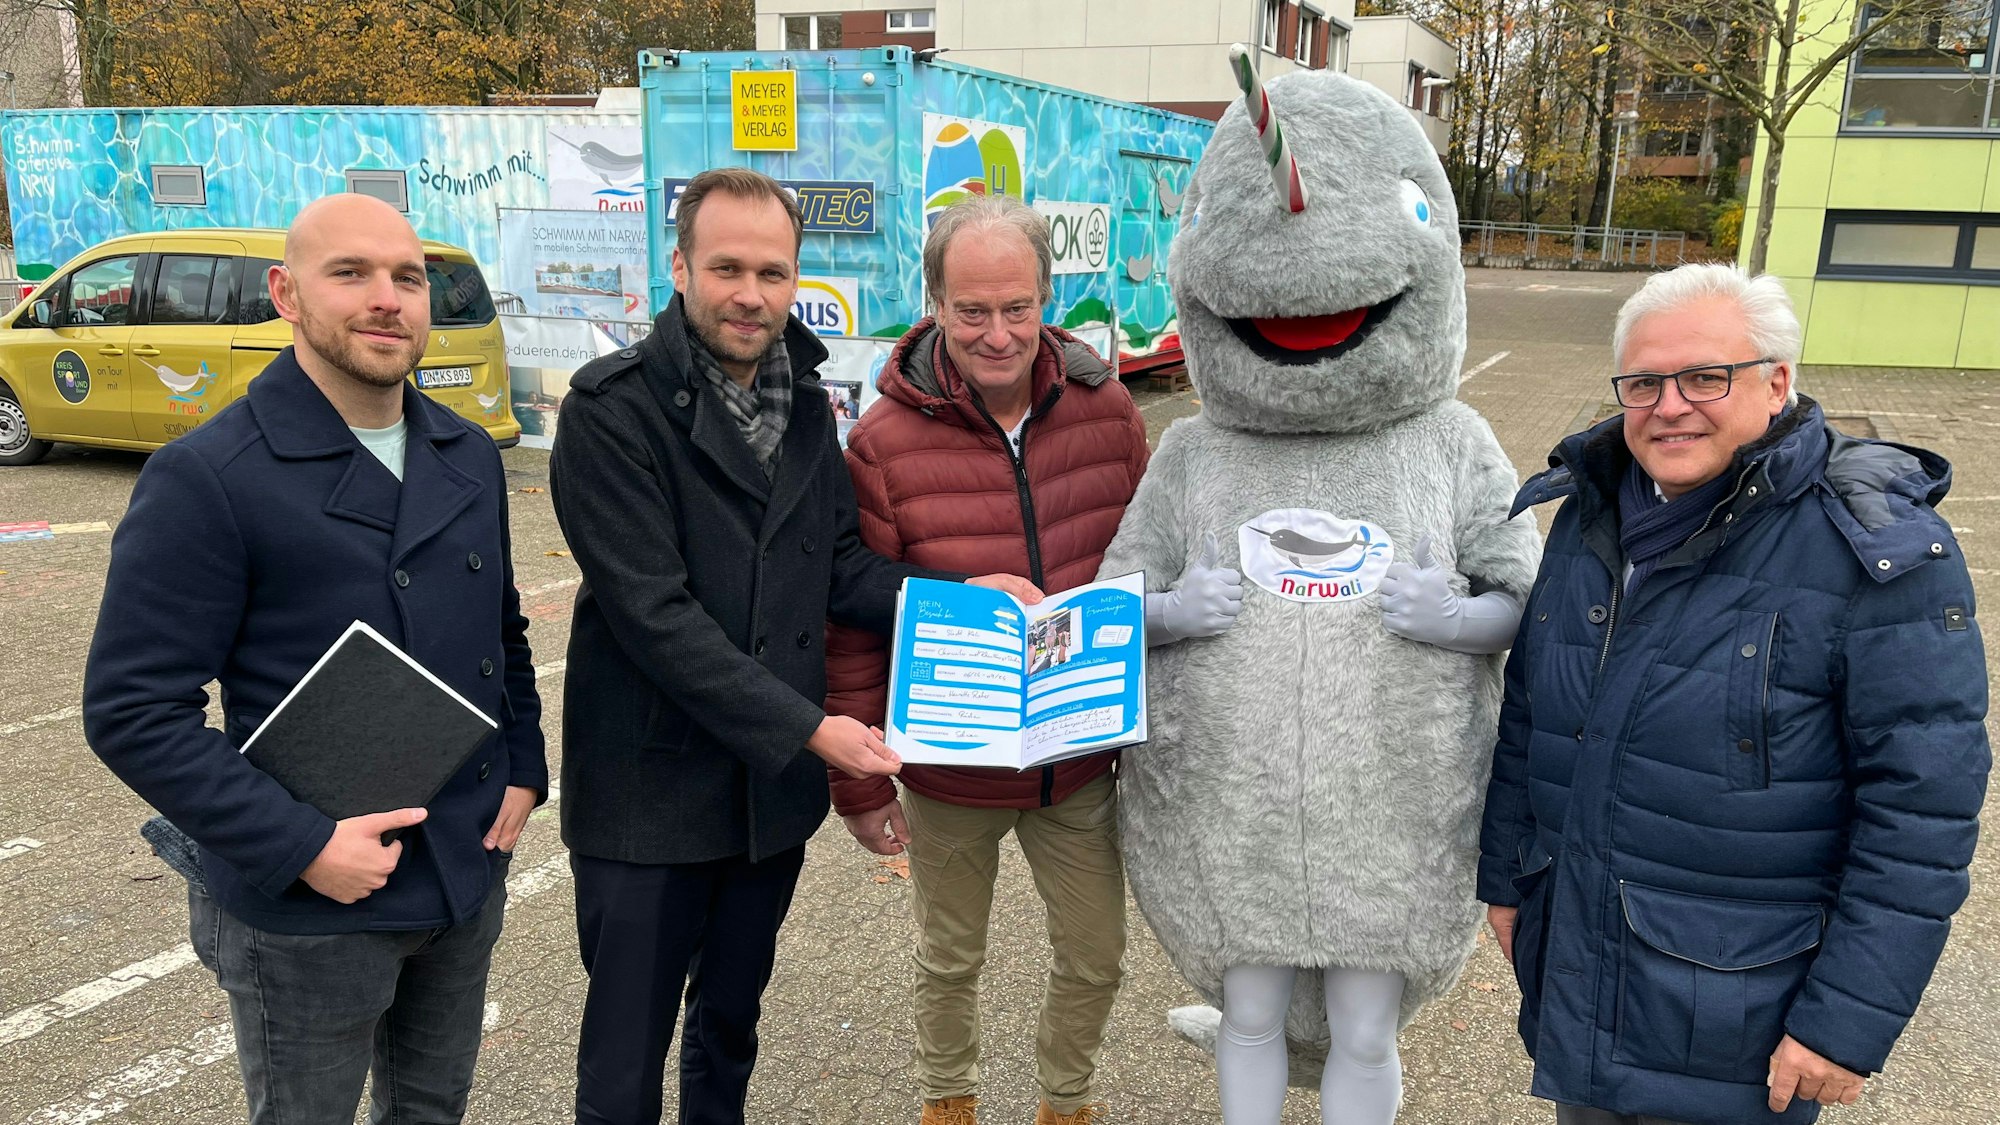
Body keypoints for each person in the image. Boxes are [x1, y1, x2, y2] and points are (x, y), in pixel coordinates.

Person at [547, 168, 1039, 1125]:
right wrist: (815, 731)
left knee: (729, 1025)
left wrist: (958, 600)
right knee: (623, 1058)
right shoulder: (610, 412)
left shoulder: (809, 408)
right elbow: (657, 618)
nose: (750, 292)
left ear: (794, 280)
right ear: (680, 266)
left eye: (772, 272)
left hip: (760, 803)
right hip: (649, 795)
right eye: (726, 266)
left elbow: (843, 567)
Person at [1481, 264, 1990, 1124]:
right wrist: (1508, 877)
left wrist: (1845, 1021)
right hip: (1586, 971)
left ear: (1778, 381)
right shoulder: (1589, 514)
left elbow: (1922, 814)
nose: (1669, 404)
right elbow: (1530, 713)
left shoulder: (1874, 551)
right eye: (1643, 382)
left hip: (1742, 1017)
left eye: (1705, 376)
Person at [83, 193, 546, 1125]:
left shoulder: (465, 454)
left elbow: (502, 631)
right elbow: (134, 710)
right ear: (286, 294)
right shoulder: (211, 475)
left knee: (432, 1111)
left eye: (407, 278)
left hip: (461, 864)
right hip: (309, 901)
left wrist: (527, 765)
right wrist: (302, 847)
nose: (388, 299)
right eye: (353, 274)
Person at [824, 194, 1238, 1125]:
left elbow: (1151, 568)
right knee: (948, 954)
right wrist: (859, 788)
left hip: (1077, 760)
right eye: (972, 310)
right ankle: (948, 1098)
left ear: (1049, 295)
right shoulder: (882, 441)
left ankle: (1065, 1101)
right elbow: (851, 619)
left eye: (1018, 306)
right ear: (933, 301)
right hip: (948, 768)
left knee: (1096, 954)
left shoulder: (1108, 411)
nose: (998, 332)